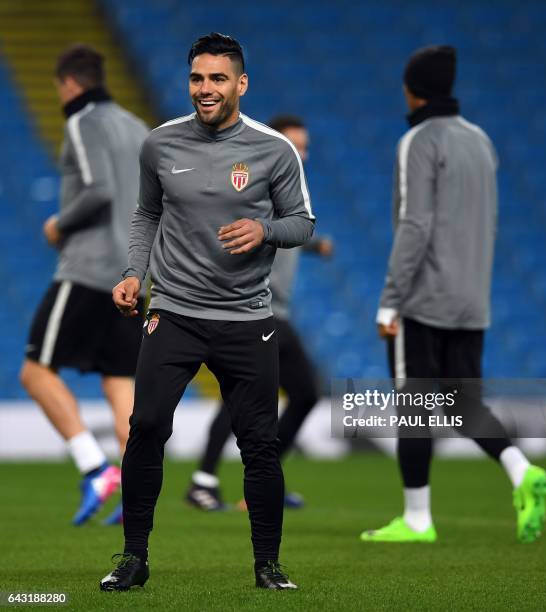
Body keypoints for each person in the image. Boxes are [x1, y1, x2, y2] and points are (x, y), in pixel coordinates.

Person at [101, 33, 314, 591]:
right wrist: (132, 273)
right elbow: (146, 214)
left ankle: (268, 565)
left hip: (247, 318)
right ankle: (133, 558)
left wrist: (264, 228)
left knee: (260, 444)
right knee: (145, 427)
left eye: (218, 79)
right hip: (173, 311)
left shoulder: (274, 149)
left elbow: (303, 223)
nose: (205, 88)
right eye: (197, 78)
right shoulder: (160, 145)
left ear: (240, 84)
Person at [361, 46, 546, 544]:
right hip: (473, 297)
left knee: (415, 404)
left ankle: (418, 518)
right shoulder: (481, 141)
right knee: (464, 404)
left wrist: (391, 299)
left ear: (412, 89)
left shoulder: (418, 140)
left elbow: (415, 224)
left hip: (424, 298)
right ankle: (519, 468)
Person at [20, 44, 149, 526]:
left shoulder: (81, 120)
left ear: (69, 84)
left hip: (90, 270)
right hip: (134, 275)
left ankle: (95, 469)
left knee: (35, 373)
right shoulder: (136, 126)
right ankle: (137, 494)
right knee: (121, 387)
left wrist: (59, 224)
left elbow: (98, 190)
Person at [185, 114, 333, 512]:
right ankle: (205, 482)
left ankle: (256, 483)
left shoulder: (285, 188)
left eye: (304, 147)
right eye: (293, 145)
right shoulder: (254, 183)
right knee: (245, 396)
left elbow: (288, 229)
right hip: (254, 308)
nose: (300, 154)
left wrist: (315, 245)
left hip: (277, 312)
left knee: (301, 394)